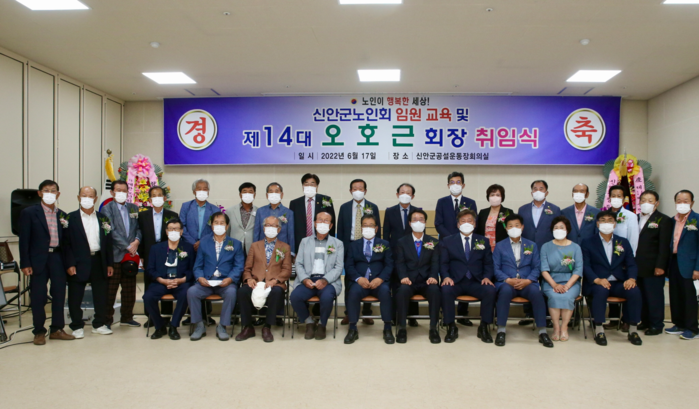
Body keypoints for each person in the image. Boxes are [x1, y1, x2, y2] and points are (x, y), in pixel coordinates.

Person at [19, 180, 74, 345]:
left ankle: (57, 329)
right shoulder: (29, 213)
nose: (50, 193)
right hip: (38, 259)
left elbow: (67, 243)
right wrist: (25, 263)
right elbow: (24, 240)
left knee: (59, 295)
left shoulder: (63, 215)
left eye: (53, 190)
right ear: (39, 193)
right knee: (38, 296)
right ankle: (39, 331)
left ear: (58, 194)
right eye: (46, 190)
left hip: (57, 258)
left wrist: (69, 263)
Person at [582, 210, 642, 346]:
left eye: (610, 220)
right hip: (597, 282)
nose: (606, 223)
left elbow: (631, 264)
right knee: (600, 291)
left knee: (634, 291)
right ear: (597, 224)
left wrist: (631, 278)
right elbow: (585, 265)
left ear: (615, 224)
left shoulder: (623, 242)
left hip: (618, 282)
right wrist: (596, 280)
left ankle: (633, 329)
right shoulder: (588, 242)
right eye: (603, 220)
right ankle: (599, 330)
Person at [492, 214, 553, 348]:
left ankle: (543, 332)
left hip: (527, 283)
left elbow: (537, 267)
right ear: (506, 228)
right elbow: (495, 268)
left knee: (537, 294)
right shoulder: (500, 246)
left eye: (517, 225)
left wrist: (529, 280)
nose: (514, 228)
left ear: (522, 227)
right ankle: (501, 330)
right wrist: (507, 279)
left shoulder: (531, 245)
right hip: (507, 283)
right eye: (510, 226)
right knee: (504, 292)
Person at [63, 186, 114, 338]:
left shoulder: (103, 218)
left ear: (95, 199)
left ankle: (99, 324)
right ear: (78, 198)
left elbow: (108, 243)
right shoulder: (69, 218)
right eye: (84, 195)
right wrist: (70, 263)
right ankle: (77, 325)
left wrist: (109, 263)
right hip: (78, 262)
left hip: (99, 260)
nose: (87, 198)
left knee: (101, 295)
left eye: (90, 196)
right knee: (75, 295)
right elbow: (66, 244)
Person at [439, 209, 496, 344]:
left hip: (476, 281)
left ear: (474, 224)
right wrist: (446, 277)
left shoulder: (483, 241)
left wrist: (487, 277)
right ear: (458, 225)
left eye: (469, 221)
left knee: (490, 290)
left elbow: (488, 263)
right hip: (455, 281)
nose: (466, 223)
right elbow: (443, 263)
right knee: (445, 290)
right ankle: (451, 326)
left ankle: (484, 327)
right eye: (463, 221)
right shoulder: (448, 241)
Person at [187, 212, 244, 341]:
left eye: (222, 223)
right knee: (192, 292)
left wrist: (230, 279)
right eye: (216, 223)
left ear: (227, 226)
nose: (219, 225)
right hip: (206, 282)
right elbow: (198, 266)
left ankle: (222, 326)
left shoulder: (235, 244)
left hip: (225, 283)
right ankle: (199, 326)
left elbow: (238, 266)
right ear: (212, 226)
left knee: (231, 293)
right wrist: (200, 278)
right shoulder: (204, 243)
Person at [236, 216, 292, 343]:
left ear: (279, 229)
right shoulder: (255, 246)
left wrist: (275, 281)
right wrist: (249, 279)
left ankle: (267, 326)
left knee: (276, 292)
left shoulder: (285, 247)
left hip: (275, 283)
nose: (270, 228)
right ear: (263, 228)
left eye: (274, 226)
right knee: (242, 292)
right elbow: (247, 268)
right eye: (268, 225)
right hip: (256, 281)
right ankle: (248, 327)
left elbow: (287, 270)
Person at [291, 211, 344, 340]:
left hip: (328, 281)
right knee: (295, 297)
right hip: (308, 279)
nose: (322, 223)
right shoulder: (305, 241)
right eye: (320, 220)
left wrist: (325, 280)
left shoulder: (338, 243)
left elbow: (338, 267)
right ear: (314, 223)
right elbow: (298, 263)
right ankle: (309, 322)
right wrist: (304, 279)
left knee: (327, 297)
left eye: (326, 220)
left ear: (331, 225)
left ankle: (322, 324)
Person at [434, 171, 478, 325]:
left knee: (465, 273)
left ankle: (463, 313)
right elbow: (438, 223)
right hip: (446, 244)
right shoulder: (442, 202)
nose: (455, 185)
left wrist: (461, 237)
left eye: (458, 182)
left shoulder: (470, 202)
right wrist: (451, 239)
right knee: (446, 275)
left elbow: (473, 222)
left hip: (466, 243)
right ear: (448, 185)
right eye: (452, 182)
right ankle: (446, 314)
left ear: (463, 185)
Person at [344, 214, 394, 345]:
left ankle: (387, 328)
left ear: (376, 228)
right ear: (361, 228)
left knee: (385, 292)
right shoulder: (353, 245)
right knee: (353, 292)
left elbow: (389, 265)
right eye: (365, 225)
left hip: (379, 282)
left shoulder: (384, 244)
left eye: (371, 225)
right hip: (360, 282)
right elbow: (349, 266)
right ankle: (352, 328)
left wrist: (380, 279)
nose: (367, 228)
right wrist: (358, 278)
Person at [394, 209, 442, 344]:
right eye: (415, 219)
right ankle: (402, 328)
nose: (418, 222)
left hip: (427, 281)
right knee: (402, 291)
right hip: (409, 281)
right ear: (410, 223)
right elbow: (400, 262)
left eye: (421, 219)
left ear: (425, 222)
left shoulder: (433, 241)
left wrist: (433, 276)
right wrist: (403, 277)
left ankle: (433, 328)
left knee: (435, 290)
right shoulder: (402, 242)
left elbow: (435, 262)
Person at [337, 179, 381, 325]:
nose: (358, 191)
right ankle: (349, 313)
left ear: (365, 191)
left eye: (360, 188)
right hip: (350, 245)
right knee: (350, 279)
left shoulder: (373, 207)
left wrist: (377, 249)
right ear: (350, 191)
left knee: (369, 276)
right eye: (355, 188)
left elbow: (378, 229)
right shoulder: (344, 207)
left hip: (368, 245)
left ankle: (367, 313)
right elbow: (340, 229)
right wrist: (341, 250)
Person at [143, 218, 195, 340]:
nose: (173, 231)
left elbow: (193, 269)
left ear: (181, 231)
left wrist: (182, 280)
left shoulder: (188, 248)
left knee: (186, 294)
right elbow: (150, 269)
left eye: (176, 229)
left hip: (180, 282)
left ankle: (173, 326)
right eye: (170, 229)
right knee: (148, 297)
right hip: (161, 282)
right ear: (166, 231)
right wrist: (161, 280)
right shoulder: (156, 248)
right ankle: (159, 326)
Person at [517, 180, 560, 326]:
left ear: (546, 192)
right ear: (531, 192)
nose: (538, 191)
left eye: (541, 188)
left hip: (548, 250)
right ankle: (529, 314)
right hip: (527, 251)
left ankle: (546, 316)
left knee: (546, 282)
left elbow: (557, 230)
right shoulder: (522, 209)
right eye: (535, 188)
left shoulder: (555, 209)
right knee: (528, 280)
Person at [102, 180, 142, 328]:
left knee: (129, 290)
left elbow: (138, 228)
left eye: (124, 191)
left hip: (130, 256)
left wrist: (137, 241)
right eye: (118, 190)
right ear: (112, 192)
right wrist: (127, 246)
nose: (121, 193)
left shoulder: (133, 208)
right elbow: (110, 231)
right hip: (115, 256)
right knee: (110, 291)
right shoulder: (107, 208)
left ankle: (127, 316)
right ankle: (107, 319)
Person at [180, 178, 219, 326]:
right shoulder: (186, 206)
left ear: (208, 192)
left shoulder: (214, 209)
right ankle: (191, 314)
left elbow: (215, 228)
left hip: (207, 248)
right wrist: (193, 242)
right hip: (188, 247)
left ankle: (206, 314)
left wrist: (202, 242)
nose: (202, 191)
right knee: (191, 280)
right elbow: (182, 226)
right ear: (193, 191)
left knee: (205, 278)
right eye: (199, 188)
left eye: (205, 189)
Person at [138, 186, 178, 327]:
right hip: (149, 253)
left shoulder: (172, 215)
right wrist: (141, 255)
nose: (157, 198)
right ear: (149, 199)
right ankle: (150, 316)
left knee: (168, 281)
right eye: (154, 195)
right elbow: (140, 236)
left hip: (168, 252)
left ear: (165, 198)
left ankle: (166, 315)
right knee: (149, 283)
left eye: (159, 195)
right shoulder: (143, 216)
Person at [540, 216, 583, 342]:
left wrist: (567, 286)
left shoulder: (576, 247)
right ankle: (556, 328)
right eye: (556, 228)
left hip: (571, 281)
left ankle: (564, 328)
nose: (558, 230)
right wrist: (554, 285)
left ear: (567, 230)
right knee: (554, 296)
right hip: (551, 281)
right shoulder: (545, 247)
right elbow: (544, 269)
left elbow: (578, 270)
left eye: (561, 227)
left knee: (567, 296)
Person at [635, 190, 672, 336]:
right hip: (637, 265)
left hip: (653, 266)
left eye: (650, 201)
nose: (646, 203)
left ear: (657, 203)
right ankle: (645, 321)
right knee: (642, 296)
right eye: (643, 200)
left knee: (654, 296)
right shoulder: (635, 218)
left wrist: (660, 266)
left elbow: (664, 246)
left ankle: (656, 324)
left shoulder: (663, 220)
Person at [604, 185, 640, 330]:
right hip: (607, 260)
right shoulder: (604, 215)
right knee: (610, 285)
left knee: (626, 287)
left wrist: (629, 259)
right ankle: (613, 320)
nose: (616, 198)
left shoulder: (630, 216)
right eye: (613, 196)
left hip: (623, 259)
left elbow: (633, 239)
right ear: (609, 197)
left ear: (624, 198)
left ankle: (627, 320)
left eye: (619, 196)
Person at [384, 183, 420, 327]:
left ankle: (412, 316)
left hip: (413, 254)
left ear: (413, 196)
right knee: (395, 285)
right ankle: (394, 316)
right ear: (397, 194)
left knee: (412, 282)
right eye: (402, 192)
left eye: (408, 192)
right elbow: (386, 234)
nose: (405, 194)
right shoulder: (390, 211)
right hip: (394, 254)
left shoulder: (418, 212)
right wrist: (387, 254)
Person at [665, 190, 699, 340]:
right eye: (679, 201)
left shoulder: (696, 219)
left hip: (690, 264)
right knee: (675, 294)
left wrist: (698, 268)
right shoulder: (672, 221)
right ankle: (679, 324)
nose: (682, 204)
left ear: (692, 202)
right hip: (674, 261)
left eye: (686, 201)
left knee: (689, 296)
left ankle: (692, 328)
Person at [289, 173, 336, 254]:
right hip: (301, 243)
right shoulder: (295, 203)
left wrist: (330, 244)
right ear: (302, 186)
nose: (309, 187)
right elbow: (292, 227)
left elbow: (332, 222)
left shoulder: (326, 200)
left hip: (322, 241)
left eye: (312, 184)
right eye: (306, 184)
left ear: (317, 186)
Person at [476, 184, 513, 251]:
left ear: (502, 197)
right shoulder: (483, 212)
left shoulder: (508, 212)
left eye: (498, 195)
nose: (495, 197)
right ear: (488, 197)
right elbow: (479, 231)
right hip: (484, 247)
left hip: (502, 247)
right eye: (492, 195)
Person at [226, 182, 258, 256]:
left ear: (254, 195)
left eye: (250, 192)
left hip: (252, 248)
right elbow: (227, 231)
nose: (247, 194)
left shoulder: (259, 211)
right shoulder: (230, 211)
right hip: (234, 247)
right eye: (245, 192)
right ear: (240, 194)